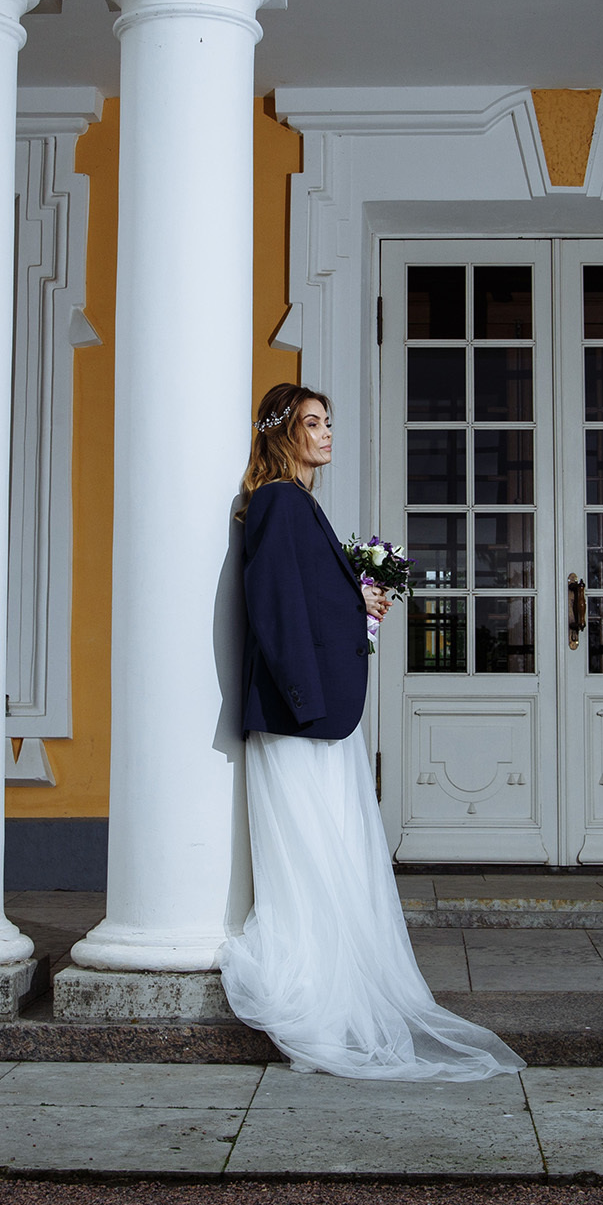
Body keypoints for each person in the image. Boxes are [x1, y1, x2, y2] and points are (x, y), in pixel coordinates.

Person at [220, 380, 525, 1080]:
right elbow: (272, 609)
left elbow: (310, 604)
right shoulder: (275, 504)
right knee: (310, 858)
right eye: (314, 422)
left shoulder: (302, 505)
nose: (328, 434)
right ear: (281, 432)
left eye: (329, 422)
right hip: (303, 717)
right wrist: (301, 698)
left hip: (323, 713)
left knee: (335, 854)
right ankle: (315, 993)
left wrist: (358, 606)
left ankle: (341, 987)